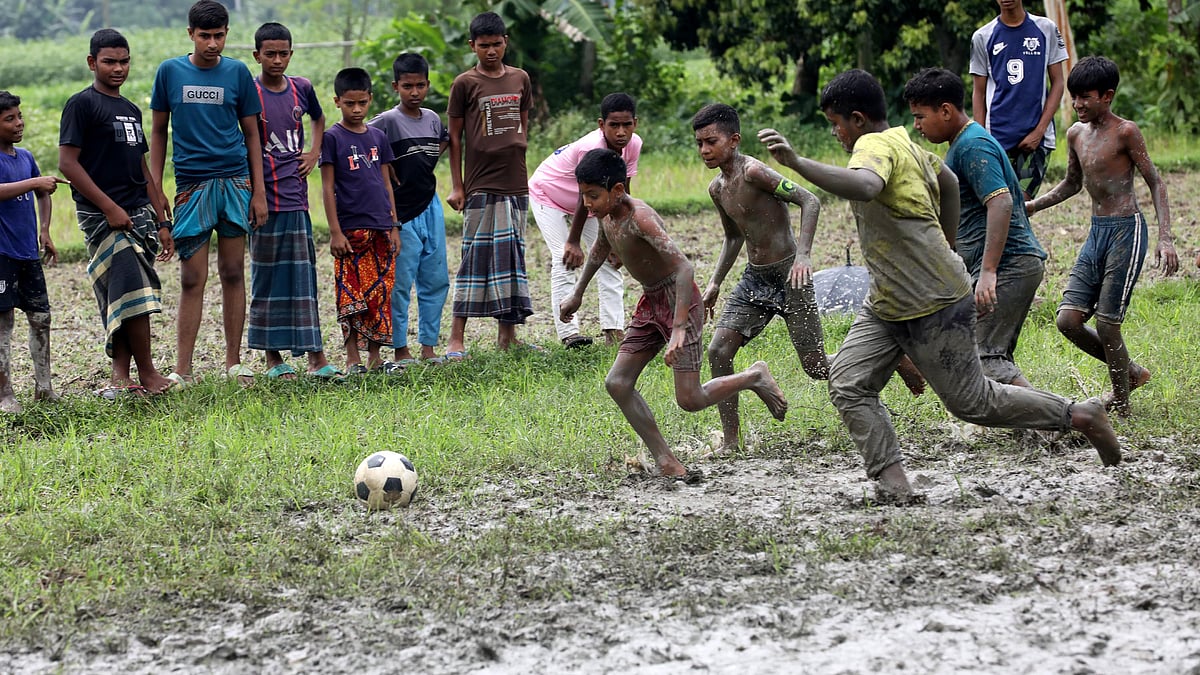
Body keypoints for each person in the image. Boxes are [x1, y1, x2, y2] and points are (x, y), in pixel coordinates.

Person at [758, 69, 1121, 502]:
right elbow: (947, 180)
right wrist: (948, 244)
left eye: (836, 124)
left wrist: (798, 163)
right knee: (849, 381)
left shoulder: (872, 146)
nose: (836, 133)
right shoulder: (906, 144)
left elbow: (867, 186)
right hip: (888, 300)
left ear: (857, 119)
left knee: (973, 402)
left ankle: (1079, 415)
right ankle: (895, 485)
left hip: (931, 299)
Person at [560, 148, 789, 478]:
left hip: (681, 301)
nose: (587, 204)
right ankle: (666, 460)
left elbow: (684, 268)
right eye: (583, 196)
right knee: (618, 383)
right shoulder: (607, 217)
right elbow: (599, 249)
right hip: (651, 303)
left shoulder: (640, 218)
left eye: (593, 195)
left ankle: (754, 376)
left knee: (690, 399)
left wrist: (679, 328)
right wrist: (578, 294)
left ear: (618, 190)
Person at [1025, 56, 1178, 417]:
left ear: (1107, 96)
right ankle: (1132, 372)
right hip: (1097, 232)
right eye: (1074, 97)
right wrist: (1032, 206)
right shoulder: (1076, 134)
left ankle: (1121, 403)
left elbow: (1155, 181)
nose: (1077, 104)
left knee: (1108, 325)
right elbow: (1072, 184)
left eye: (1085, 97)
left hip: (1127, 230)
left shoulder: (1126, 132)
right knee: (1067, 321)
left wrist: (1166, 238)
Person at [690, 103, 828, 453]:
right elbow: (733, 237)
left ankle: (893, 358)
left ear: (734, 140)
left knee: (816, 367)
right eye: (699, 143)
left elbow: (809, 201)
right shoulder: (717, 188)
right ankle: (731, 441)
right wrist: (715, 283)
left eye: (711, 141)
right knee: (718, 351)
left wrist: (803, 255)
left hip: (790, 274)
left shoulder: (754, 172)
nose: (704, 150)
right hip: (756, 279)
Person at [904, 67, 1047, 388]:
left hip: (1010, 265)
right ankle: (1040, 418)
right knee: (982, 355)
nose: (917, 125)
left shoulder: (972, 146)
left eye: (920, 116)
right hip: (1002, 265)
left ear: (945, 110)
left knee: (986, 360)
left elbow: (1001, 203)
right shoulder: (963, 144)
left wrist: (988, 272)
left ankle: (1064, 414)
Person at [149, 0, 267, 387]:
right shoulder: (169, 72)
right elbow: (159, 132)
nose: (212, 43)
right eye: (205, 36)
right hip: (191, 185)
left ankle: (234, 362)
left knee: (233, 272)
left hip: (235, 182)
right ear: (190, 34)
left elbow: (252, 134)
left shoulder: (237, 72)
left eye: (219, 35)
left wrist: (259, 191)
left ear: (227, 33)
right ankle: (182, 368)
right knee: (191, 278)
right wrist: (155, 187)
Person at [59, 29, 176, 400]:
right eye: (109, 62)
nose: (118, 68)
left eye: (124, 61)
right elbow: (68, 163)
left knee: (124, 294)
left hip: (137, 214)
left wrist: (161, 218)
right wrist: (109, 207)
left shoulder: (130, 109)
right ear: (92, 62)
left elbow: (141, 166)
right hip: (103, 216)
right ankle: (148, 372)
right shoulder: (82, 104)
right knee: (133, 292)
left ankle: (121, 375)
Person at [249, 22, 342, 381]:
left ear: (291, 54)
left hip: (296, 197)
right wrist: (255, 194)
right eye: (270, 54)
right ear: (257, 55)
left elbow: (318, 118)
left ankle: (316, 357)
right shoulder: (250, 91)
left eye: (283, 53)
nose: (277, 60)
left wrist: (314, 152)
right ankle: (272, 358)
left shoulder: (301, 87)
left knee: (303, 278)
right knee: (267, 277)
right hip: (262, 200)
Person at [445, 11, 534, 358]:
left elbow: (522, 126)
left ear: (505, 42)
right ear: (472, 46)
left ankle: (507, 336)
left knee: (511, 257)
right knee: (474, 255)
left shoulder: (520, 78)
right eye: (484, 46)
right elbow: (455, 138)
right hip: (480, 182)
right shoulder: (464, 83)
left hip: (516, 182)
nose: (491, 51)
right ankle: (456, 337)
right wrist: (458, 186)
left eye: (497, 44)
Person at [529, 92, 640, 349]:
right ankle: (569, 334)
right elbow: (583, 193)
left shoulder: (634, 145)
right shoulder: (591, 147)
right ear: (601, 125)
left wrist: (620, 236)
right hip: (548, 194)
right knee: (565, 258)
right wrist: (573, 241)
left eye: (627, 125)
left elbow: (623, 190)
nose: (621, 132)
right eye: (614, 125)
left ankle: (613, 329)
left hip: (592, 203)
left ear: (635, 123)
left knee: (610, 259)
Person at [368, 52, 450, 368]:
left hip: (431, 205)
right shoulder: (387, 121)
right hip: (401, 213)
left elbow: (443, 141)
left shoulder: (432, 118)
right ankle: (400, 349)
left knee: (436, 278)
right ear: (396, 87)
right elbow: (359, 138)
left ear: (428, 85)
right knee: (400, 283)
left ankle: (428, 347)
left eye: (420, 86)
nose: (414, 92)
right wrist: (384, 167)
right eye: (407, 86)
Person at [320, 67, 399, 375]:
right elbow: (327, 187)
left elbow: (387, 184)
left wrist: (394, 226)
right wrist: (335, 232)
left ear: (370, 100)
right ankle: (352, 358)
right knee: (350, 295)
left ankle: (375, 358)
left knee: (379, 293)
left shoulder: (378, 137)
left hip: (381, 227)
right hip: (350, 231)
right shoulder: (332, 138)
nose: (356, 109)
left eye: (362, 103)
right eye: (349, 103)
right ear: (337, 101)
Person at [0, 90, 64, 413]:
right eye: (9, 119)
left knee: (41, 317)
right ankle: (4, 393)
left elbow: (43, 193)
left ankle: (44, 387)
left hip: (27, 252)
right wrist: (35, 183)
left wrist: (45, 230)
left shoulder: (25, 157)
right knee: (3, 322)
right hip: (2, 255)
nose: (19, 123)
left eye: (19, 116)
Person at [970, 0, 1068, 199]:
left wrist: (1039, 132)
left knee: (1022, 203)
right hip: (996, 137)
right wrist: (980, 140)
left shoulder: (1046, 29)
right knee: (998, 202)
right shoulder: (982, 36)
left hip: (1036, 138)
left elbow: (1058, 83)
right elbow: (979, 93)